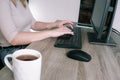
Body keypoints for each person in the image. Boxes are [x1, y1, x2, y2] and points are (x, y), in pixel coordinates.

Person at [0, 0, 73, 66]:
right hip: (10, 51)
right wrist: (50, 32)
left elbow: (33, 24)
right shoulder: (3, 2)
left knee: (54, 59)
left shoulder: (22, 1)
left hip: (27, 45)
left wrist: (55, 24)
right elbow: (13, 39)